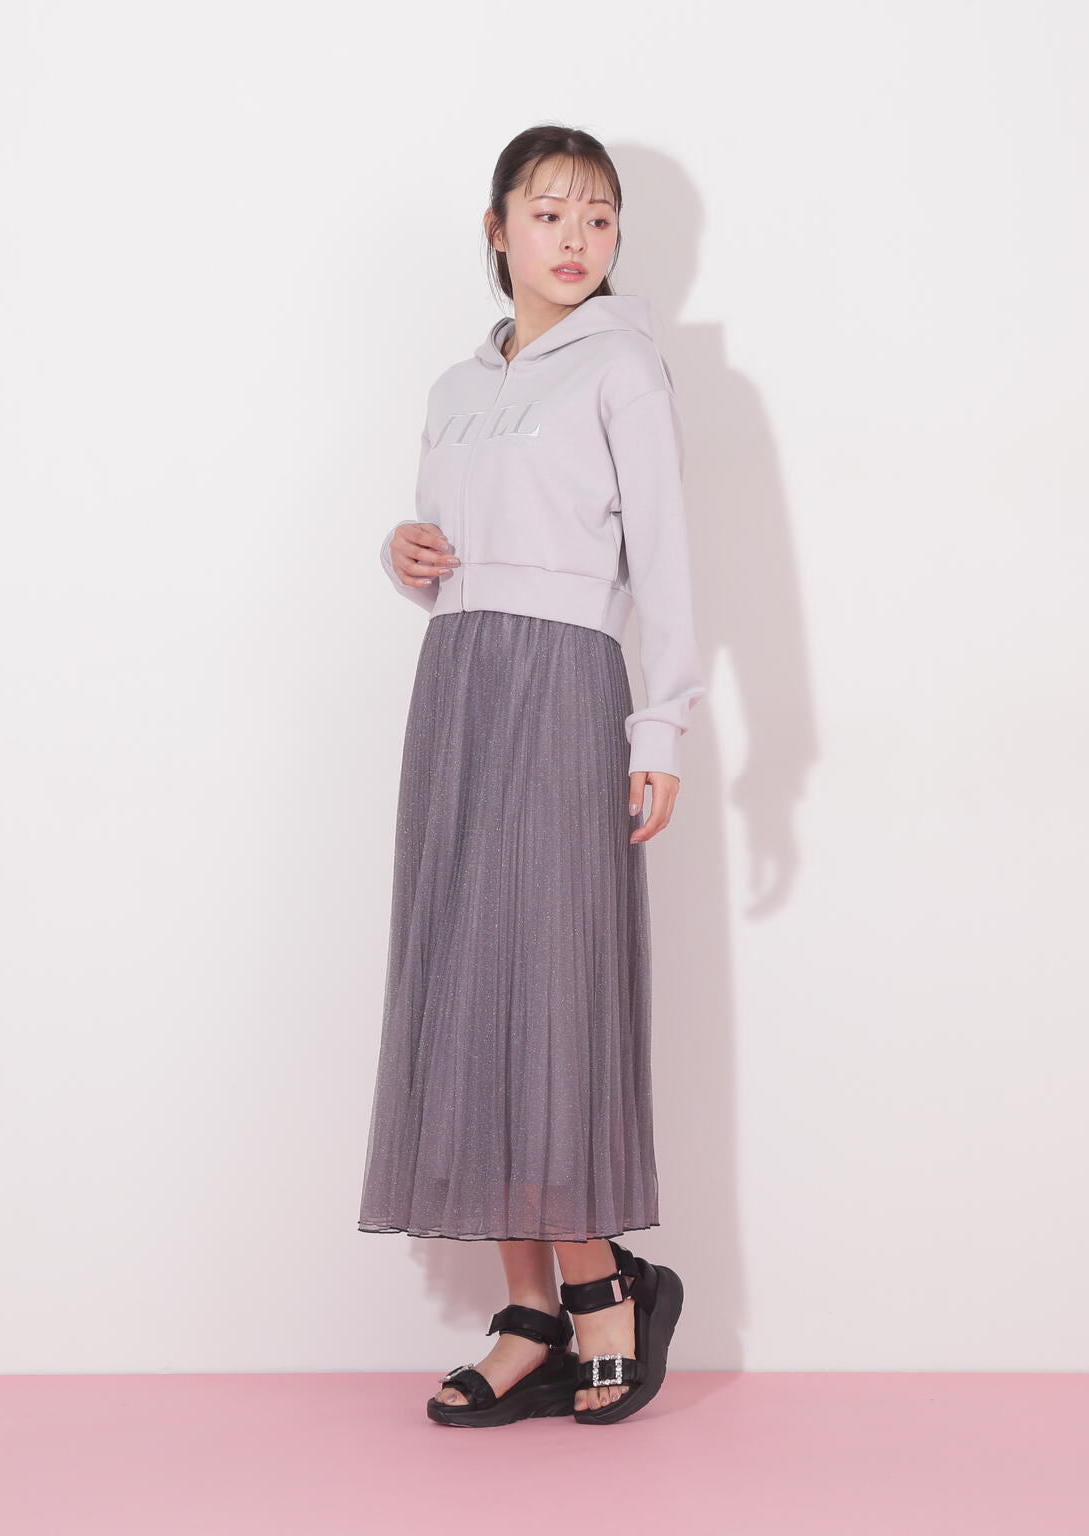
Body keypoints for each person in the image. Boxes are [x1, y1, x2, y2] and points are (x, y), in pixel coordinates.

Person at [357, 124, 707, 1428]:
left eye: (598, 217)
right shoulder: (457, 385)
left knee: (552, 985)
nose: (576, 238)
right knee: (467, 987)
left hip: (565, 685)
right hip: (456, 685)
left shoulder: (622, 368)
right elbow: (461, 545)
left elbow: (663, 557)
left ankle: (602, 1281)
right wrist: (407, 555)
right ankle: (527, 1312)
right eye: (550, 213)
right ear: (497, 230)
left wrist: (659, 727)